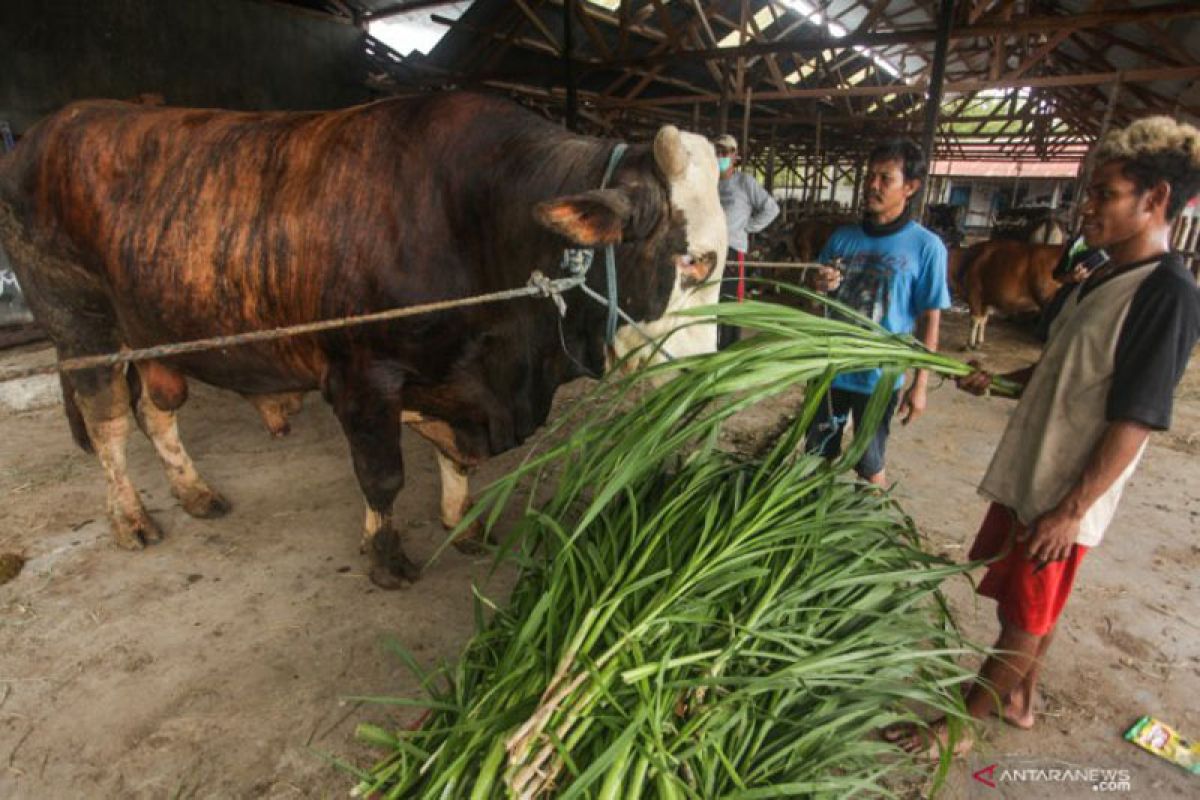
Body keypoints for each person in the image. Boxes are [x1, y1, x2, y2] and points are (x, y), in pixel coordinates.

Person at [891, 116, 1200, 759]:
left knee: (1022, 615)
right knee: (1026, 603)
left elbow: (1137, 417)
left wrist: (1071, 510)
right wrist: (1002, 381)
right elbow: (1065, 368)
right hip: (1037, 470)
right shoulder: (1101, 273)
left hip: (1066, 487)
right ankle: (1019, 698)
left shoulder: (1167, 292)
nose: (1085, 208)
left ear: (1156, 200)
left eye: (1103, 194)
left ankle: (960, 725)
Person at [805, 138, 950, 486]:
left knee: (869, 464)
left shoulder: (926, 247)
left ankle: (869, 529)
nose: (872, 185)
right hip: (830, 370)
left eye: (886, 179)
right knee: (815, 456)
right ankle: (812, 520)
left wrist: (921, 384)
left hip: (879, 378)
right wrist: (819, 286)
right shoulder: (841, 239)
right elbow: (815, 303)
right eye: (871, 176)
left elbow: (931, 318)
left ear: (910, 188)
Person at [714, 133, 779, 349]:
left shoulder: (744, 182)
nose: (720, 156)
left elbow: (771, 208)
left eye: (725, 152)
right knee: (708, 300)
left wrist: (748, 227)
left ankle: (728, 349)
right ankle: (708, 348)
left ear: (735, 156)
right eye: (717, 151)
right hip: (710, 250)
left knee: (730, 303)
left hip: (733, 250)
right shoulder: (709, 181)